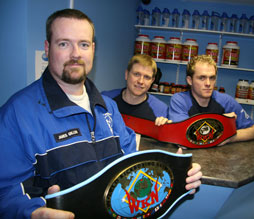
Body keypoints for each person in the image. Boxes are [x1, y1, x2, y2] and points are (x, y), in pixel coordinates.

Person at [0, 9, 202, 219]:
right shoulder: (16, 114)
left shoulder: (108, 107)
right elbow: (4, 193)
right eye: (64, 44)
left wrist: (172, 175)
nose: (76, 53)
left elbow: (131, 172)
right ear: (47, 48)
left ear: (93, 50)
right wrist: (33, 214)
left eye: (84, 44)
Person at [169, 55, 254, 145]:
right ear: (189, 80)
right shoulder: (179, 101)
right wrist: (222, 122)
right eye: (202, 78)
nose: (208, 83)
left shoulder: (226, 101)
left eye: (212, 78)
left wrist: (229, 137)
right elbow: (183, 134)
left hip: (219, 156)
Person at [102, 54, 171, 126]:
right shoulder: (104, 100)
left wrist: (166, 130)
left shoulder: (161, 111)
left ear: (152, 81)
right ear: (126, 74)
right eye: (136, 74)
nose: (140, 81)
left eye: (147, 77)